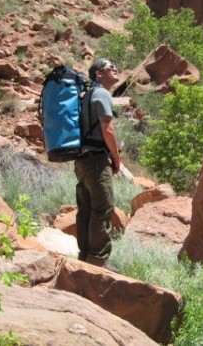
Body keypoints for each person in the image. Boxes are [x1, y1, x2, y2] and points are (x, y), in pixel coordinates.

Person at [74, 58, 121, 267]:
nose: (115, 69)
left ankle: (85, 258)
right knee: (102, 209)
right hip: (96, 160)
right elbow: (107, 127)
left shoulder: (88, 95)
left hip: (82, 161)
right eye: (110, 67)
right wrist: (116, 158)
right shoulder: (101, 93)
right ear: (99, 74)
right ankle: (98, 261)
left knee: (86, 209)